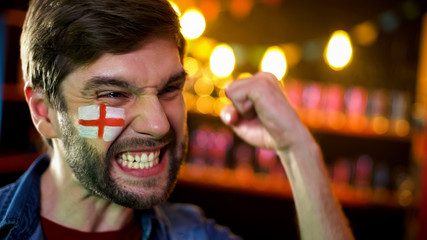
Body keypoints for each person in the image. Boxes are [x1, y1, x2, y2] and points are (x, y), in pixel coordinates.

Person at [0, 0, 354, 239]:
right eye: (114, 94)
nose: (159, 124)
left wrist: (299, 150)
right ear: (44, 112)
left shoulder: (195, 234)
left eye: (171, 88)